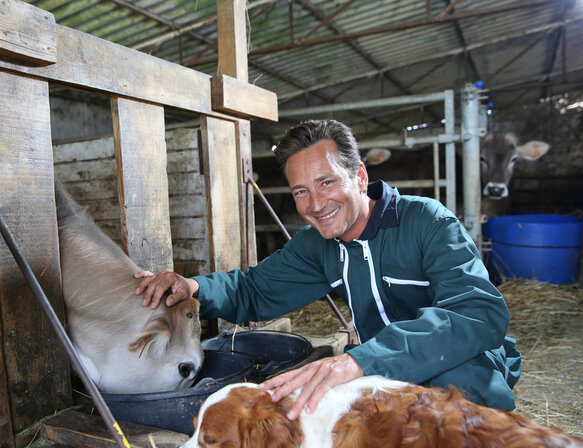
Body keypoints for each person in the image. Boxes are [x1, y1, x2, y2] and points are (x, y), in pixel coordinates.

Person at [134, 119, 521, 421]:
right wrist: (193, 286)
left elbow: (478, 313)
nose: (315, 204)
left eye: (327, 182)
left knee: (456, 406)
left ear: (360, 178)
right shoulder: (318, 244)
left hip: (452, 361)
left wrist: (358, 361)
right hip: (374, 368)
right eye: (301, 191)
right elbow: (254, 290)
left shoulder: (427, 222)